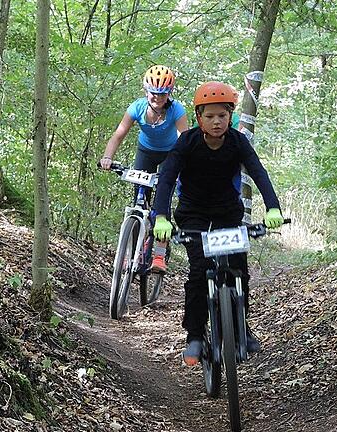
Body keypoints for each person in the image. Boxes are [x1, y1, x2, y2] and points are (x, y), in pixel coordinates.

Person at [151, 81, 284, 366]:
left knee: (239, 268)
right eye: (209, 116)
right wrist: (160, 216)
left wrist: (273, 207)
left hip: (227, 213)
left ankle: (242, 327)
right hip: (193, 214)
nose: (216, 121)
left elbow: (259, 173)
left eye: (221, 115)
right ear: (198, 117)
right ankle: (195, 335)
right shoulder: (186, 142)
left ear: (230, 116)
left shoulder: (238, 141)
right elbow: (167, 178)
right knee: (199, 272)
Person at [99, 65, 189, 273]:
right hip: (145, 153)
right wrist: (107, 157)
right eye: (154, 92)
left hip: (169, 155)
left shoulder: (177, 110)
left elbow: (185, 141)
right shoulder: (137, 107)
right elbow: (119, 134)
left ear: (169, 93)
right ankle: (129, 251)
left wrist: (185, 167)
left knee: (161, 202)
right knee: (139, 199)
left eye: (163, 93)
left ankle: (159, 253)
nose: (157, 97)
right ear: (146, 90)